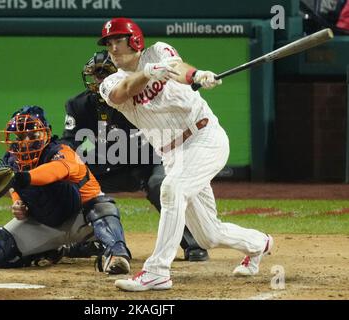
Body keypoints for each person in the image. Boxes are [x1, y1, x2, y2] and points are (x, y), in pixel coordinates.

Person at [96, 17, 274, 291]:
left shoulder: (158, 51)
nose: (113, 48)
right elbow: (123, 93)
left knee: (171, 189)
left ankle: (157, 271)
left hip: (204, 137)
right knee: (207, 236)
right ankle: (258, 243)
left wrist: (197, 75)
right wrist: (148, 74)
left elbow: (178, 69)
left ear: (134, 40)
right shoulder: (110, 83)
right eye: (108, 44)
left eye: (117, 41)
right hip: (174, 155)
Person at [60, 50, 209, 262]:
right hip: (106, 164)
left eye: (104, 73)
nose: (98, 79)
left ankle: (194, 243)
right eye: (95, 74)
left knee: (162, 184)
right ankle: (89, 240)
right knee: (69, 181)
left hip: (147, 160)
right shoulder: (78, 105)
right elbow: (70, 142)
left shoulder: (141, 98)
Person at [0, 105, 132, 275]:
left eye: (33, 135)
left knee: (103, 206)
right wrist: (17, 202)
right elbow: (13, 186)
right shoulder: (11, 160)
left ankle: (116, 254)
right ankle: (57, 250)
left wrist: (24, 177)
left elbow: (56, 170)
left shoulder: (61, 151)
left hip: (82, 219)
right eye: (21, 136)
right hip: (44, 225)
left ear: (47, 133)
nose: (26, 141)